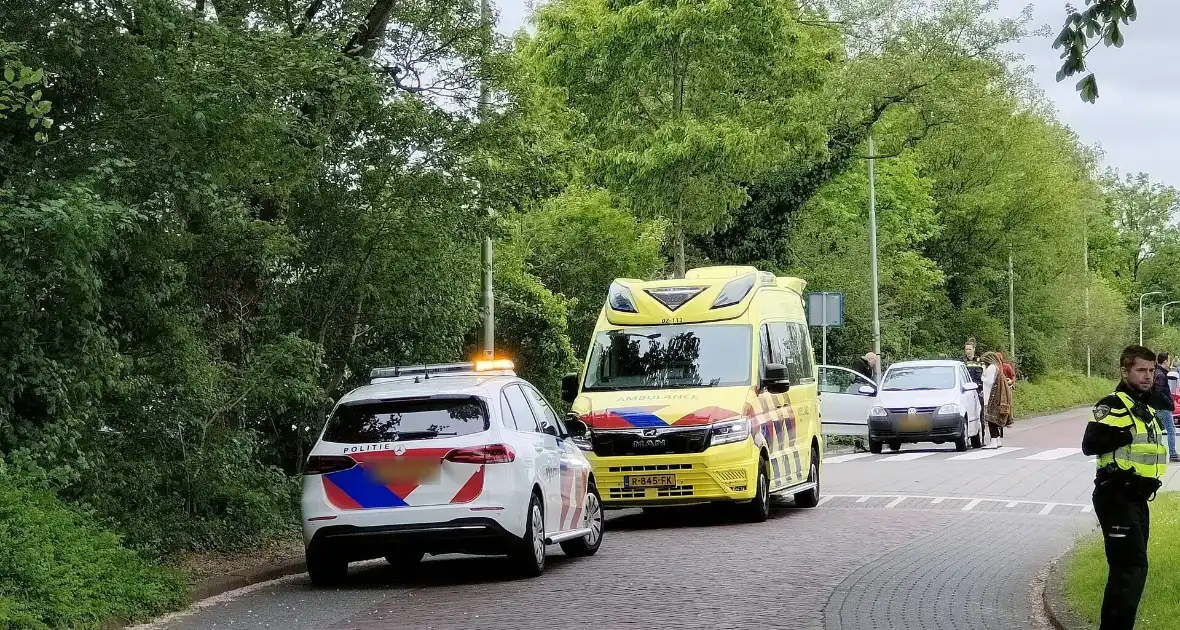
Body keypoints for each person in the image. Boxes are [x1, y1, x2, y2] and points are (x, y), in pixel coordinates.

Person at [1081, 345, 1168, 630]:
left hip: (1138, 498)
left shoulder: (1144, 405)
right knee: (1129, 569)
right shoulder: (1114, 403)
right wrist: (1123, 435)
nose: (1147, 376)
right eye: (1141, 370)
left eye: (1151, 371)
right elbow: (1089, 444)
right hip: (1116, 495)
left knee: (1134, 569)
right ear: (1124, 371)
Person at [1150, 352, 1180, 463]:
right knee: (1171, 430)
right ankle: (1172, 454)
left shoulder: (1156, 373)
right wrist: (1169, 403)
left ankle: (1154, 453)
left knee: (1155, 430)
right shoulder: (1161, 375)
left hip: (1156, 406)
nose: (1169, 362)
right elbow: (1159, 391)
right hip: (1163, 407)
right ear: (1165, 361)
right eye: (1169, 360)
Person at [981, 352, 1012, 448]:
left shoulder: (991, 368)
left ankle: (993, 441)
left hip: (991, 396)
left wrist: (982, 377)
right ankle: (997, 439)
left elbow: (989, 382)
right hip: (994, 395)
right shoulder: (996, 367)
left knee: (991, 418)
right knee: (994, 418)